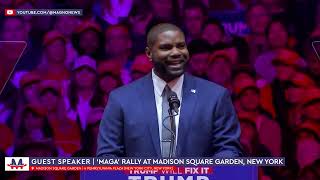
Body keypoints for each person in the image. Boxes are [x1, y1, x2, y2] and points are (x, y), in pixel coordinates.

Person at [97, 23, 242, 157]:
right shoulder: (121, 99)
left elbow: (229, 150)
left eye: (181, 46)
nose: (176, 53)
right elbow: (108, 156)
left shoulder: (215, 97)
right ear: (149, 53)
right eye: (166, 47)